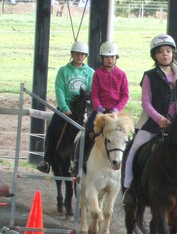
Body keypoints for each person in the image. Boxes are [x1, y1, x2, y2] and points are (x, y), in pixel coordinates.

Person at [122, 34, 177, 206]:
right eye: (160, 52)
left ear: (173, 53)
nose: (165, 54)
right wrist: (159, 119)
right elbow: (146, 102)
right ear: (155, 56)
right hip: (153, 123)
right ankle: (128, 187)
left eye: (168, 51)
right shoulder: (149, 76)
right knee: (134, 148)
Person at [71, 41, 129, 174]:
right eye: (107, 57)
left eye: (112, 57)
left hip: (116, 113)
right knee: (85, 134)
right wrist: (98, 107)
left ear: (116, 58)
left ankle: (126, 168)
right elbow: (95, 94)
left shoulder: (122, 75)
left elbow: (125, 96)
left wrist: (117, 109)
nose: (110, 59)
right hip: (100, 113)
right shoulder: (97, 74)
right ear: (102, 58)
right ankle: (77, 162)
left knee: (127, 137)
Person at [37, 40, 94, 173]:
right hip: (67, 108)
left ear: (85, 56)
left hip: (83, 108)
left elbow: (91, 92)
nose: (79, 56)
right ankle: (47, 160)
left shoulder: (90, 72)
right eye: (77, 53)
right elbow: (60, 89)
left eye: (82, 54)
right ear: (72, 54)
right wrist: (63, 107)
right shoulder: (63, 71)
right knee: (52, 129)